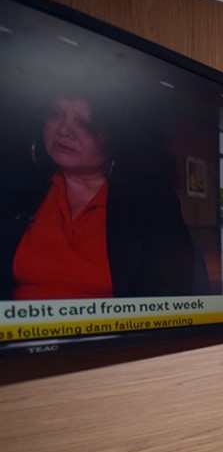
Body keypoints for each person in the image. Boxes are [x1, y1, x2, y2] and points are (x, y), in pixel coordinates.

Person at [0, 84, 204, 301]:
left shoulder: (151, 203)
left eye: (84, 123)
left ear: (119, 136)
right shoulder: (15, 190)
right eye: (56, 114)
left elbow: (166, 299)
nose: (64, 130)